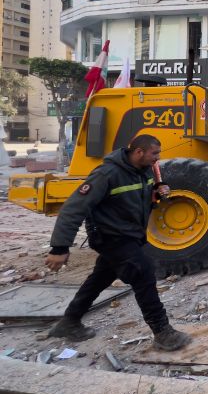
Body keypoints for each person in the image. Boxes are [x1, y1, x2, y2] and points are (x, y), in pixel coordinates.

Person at [45, 134, 192, 351]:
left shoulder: (144, 171)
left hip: (130, 234)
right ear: (139, 152)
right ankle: (163, 332)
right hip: (111, 237)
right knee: (143, 272)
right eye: (154, 153)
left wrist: (158, 192)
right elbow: (73, 209)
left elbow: (143, 196)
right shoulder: (107, 174)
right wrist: (59, 247)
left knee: (101, 277)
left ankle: (69, 322)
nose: (157, 158)